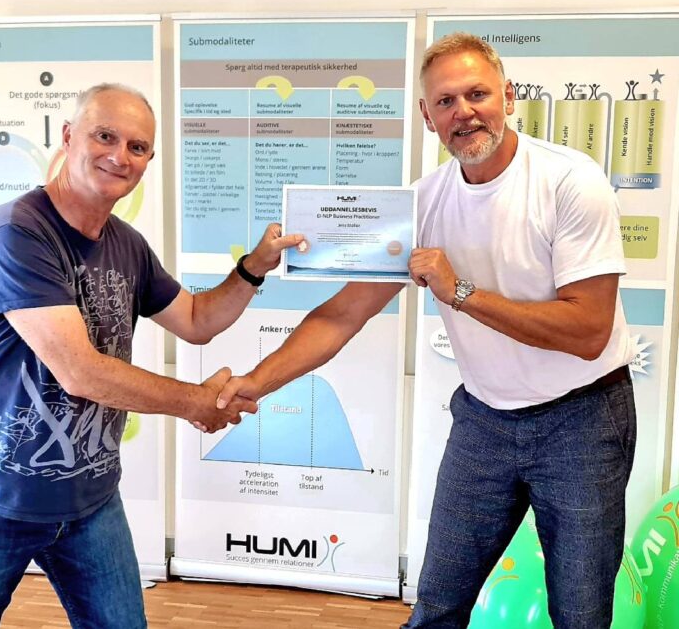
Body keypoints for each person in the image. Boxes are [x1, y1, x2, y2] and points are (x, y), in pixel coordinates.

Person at [217, 33, 636, 628]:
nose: (463, 112)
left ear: (508, 96)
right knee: (435, 606)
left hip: (582, 419)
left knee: (581, 615)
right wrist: (257, 382)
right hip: (485, 421)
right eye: (445, 101)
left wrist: (460, 291)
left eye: (477, 94)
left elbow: (588, 330)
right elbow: (343, 313)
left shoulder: (570, 181)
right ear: (427, 116)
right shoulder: (422, 205)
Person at [0, 83, 302, 628]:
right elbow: (80, 372)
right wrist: (196, 402)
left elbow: (197, 321)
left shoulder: (127, 244)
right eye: (105, 136)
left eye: (137, 147)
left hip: (88, 500)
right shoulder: (16, 233)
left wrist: (254, 267)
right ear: (68, 136)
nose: (120, 156)